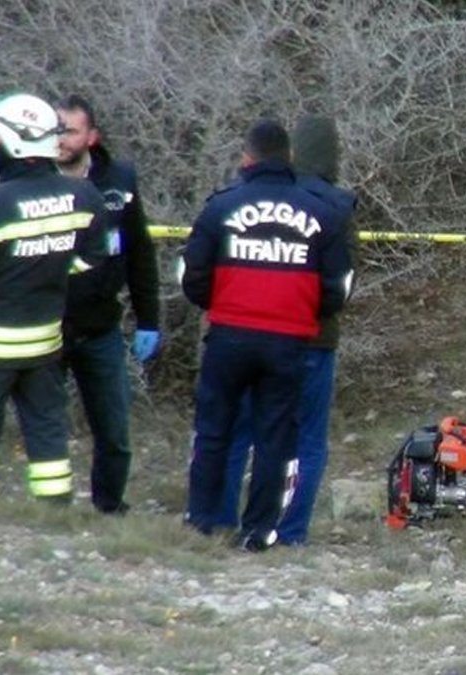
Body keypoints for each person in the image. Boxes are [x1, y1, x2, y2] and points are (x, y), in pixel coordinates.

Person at [180, 119, 353, 551]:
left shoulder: (222, 206)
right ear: (288, 157)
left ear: (247, 157)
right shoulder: (325, 212)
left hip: (230, 335)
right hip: (290, 339)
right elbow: (337, 287)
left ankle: (203, 521)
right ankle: (260, 530)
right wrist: (299, 313)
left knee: (217, 431)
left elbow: (194, 272)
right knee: (277, 438)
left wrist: (215, 305)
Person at [0, 92, 108, 503]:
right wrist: (49, 273)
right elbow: (92, 256)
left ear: (15, 145)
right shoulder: (84, 196)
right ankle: (54, 505)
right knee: (47, 425)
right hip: (45, 340)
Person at [55, 94, 162, 515]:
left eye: (69, 131)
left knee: (114, 429)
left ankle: (110, 504)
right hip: (46, 324)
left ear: (92, 136)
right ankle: (51, 506)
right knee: (47, 425)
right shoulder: (32, 181)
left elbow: (140, 253)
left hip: (100, 327)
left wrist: (149, 319)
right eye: (55, 129)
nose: (60, 140)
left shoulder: (119, 180)